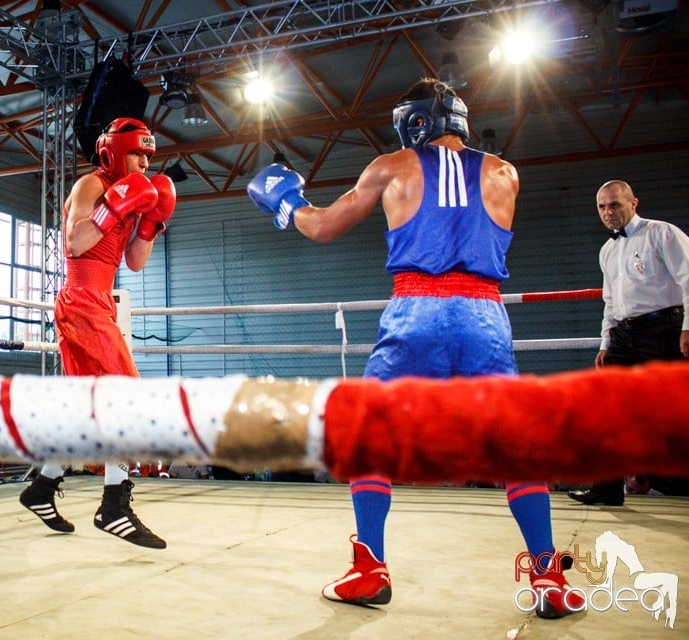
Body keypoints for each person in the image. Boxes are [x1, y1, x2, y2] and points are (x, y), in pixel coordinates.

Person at [247, 77, 583, 619]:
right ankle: (546, 574)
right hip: (484, 316)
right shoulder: (505, 173)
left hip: (418, 310)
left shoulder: (392, 165)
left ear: (415, 122)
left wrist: (286, 205)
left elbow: (327, 227)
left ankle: (370, 568)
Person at [18, 117, 175, 549]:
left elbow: (137, 262)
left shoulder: (138, 194)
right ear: (112, 153)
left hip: (100, 303)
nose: (144, 162)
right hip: (81, 302)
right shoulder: (91, 185)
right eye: (137, 153)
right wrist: (117, 205)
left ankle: (42, 487)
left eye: (148, 155)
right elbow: (74, 244)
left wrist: (150, 222)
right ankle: (113, 506)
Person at [567, 180, 689, 506]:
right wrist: (605, 342)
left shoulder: (662, 234)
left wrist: (688, 326)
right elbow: (610, 300)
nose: (608, 212)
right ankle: (607, 490)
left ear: (633, 203)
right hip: (623, 334)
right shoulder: (607, 250)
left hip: (664, 329)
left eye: (615, 205)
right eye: (602, 207)